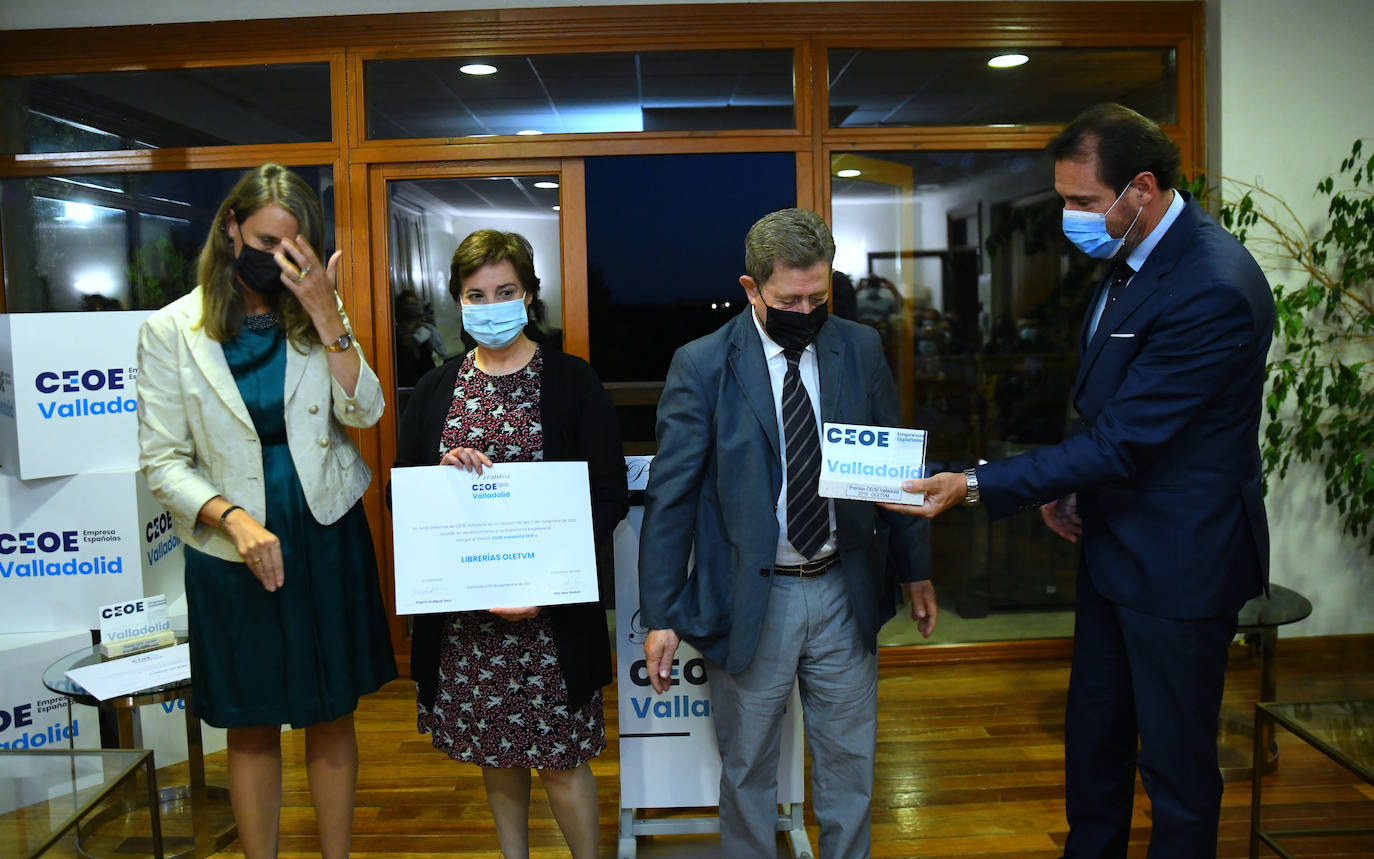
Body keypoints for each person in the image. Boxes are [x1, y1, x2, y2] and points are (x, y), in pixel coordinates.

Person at [894, 104, 1273, 858]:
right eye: (1062, 198)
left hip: (1181, 565)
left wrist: (974, 483)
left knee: (1175, 769)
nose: (1068, 217)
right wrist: (1071, 484)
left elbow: (1129, 437)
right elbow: (1112, 406)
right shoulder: (1127, 258)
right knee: (1094, 744)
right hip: (1113, 545)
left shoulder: (1213, 284)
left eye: (1081, 202)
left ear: (1141, 187)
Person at [638, 208, 937, 858]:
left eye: (817, 296)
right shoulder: (704, 363)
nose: (806, 309)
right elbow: (672, 497)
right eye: (788, 298)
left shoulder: (858, 348)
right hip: (751, 597)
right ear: (751, 289)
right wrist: (661, 612)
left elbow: (894, 470)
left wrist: (916, 567)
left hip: (841, 585)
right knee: (746, 768)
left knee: (849, 765)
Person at [136, 163, 397, 859]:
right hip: (232, 550)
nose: (278, 259)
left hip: (325, 531)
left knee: (330, 711)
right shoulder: (172, 330)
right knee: (250, 723)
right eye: (265, 241)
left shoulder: (314, 314)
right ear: (229, 229)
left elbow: (366, 412)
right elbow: (162, 462)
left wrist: (326, 312)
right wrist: (232, 518)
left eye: (294, 247)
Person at [396, 229, 627, 859]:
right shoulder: (435, 391)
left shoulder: (574, 382)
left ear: (528, 295)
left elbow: (608, 496)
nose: (490, 303)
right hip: (470, 621)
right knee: (495, 757)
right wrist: (443, 479)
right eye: (476, 294)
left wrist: (547, 585)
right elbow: (404, 500)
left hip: (551, 619)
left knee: (561, 760)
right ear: (458, 301)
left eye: (504, 290)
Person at [393, 287, 448, 387]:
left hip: (427, 382)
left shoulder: (427, 331)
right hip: (404, 384)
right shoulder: (394, 335)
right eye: (409, 305)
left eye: (415, 304)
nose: (412, 308)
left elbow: (442, 353)